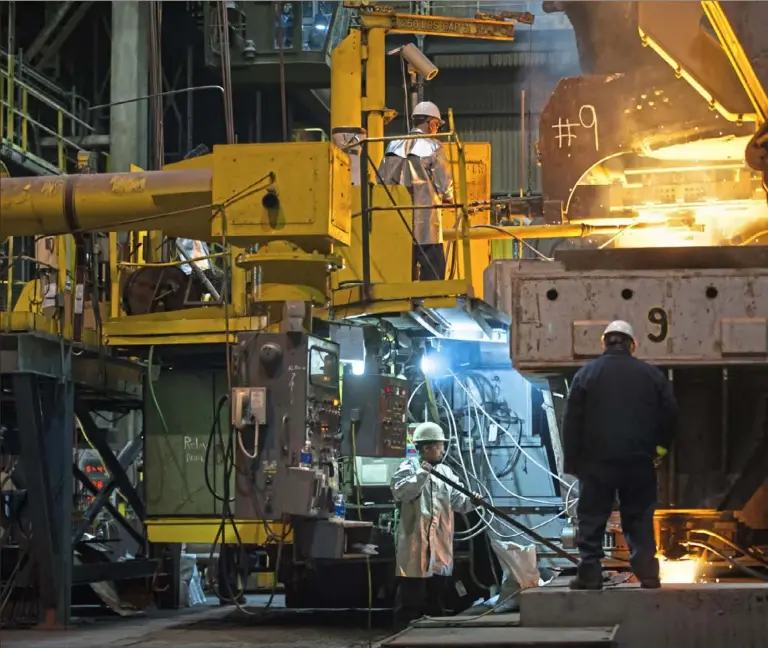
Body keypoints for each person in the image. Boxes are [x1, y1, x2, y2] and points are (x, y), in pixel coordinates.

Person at [562, 320, 678, 590]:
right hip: (638, 461)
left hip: (596, 462)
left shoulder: (586, 374)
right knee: (638, 515)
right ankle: (648, 574)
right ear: (632, 344)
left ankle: (590, 574)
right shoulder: (650, 374)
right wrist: (660, 447)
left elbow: (572, 420)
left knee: (592, 516)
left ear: (605, 342)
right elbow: (671, 412)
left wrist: (573, 460)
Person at [390, 421, 479, 625]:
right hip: (415, 550)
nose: (443, 450)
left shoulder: (446, 473)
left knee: (436, 603)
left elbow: (459, 503)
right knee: (410, 603)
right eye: (440, 446)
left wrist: (473, 501)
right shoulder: (408, 468)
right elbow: (401, 492)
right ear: (427, 447)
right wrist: (423, 473)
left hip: (439, 551)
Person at [377, 101, 454, 281]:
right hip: (427, 224)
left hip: (397, 224)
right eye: (437, 126)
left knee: (400, 277)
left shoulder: (393, 146)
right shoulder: (433, 147)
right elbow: (444, 182)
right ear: (432, 123)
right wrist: (450, 197)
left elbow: (380, 181)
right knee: (434, 278)